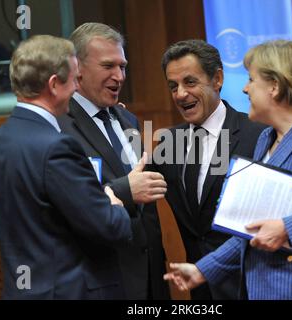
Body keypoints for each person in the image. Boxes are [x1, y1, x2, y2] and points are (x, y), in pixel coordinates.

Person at [163, 40, 292, 300]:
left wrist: (287, 227)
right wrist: (202, 270)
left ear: (275, 86)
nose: (245, 88)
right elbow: (253, 228)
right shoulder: (266, 138)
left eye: (252, 79)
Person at [0, 35, 133, 299]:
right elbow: (110, 227)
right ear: (54, 85)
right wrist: (113, 202)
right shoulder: (57, 147)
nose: (76, 87)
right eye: (74, 79)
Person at [57, 23, 170, 300]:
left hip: (150, 277)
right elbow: (67, 204)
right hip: (102, 279)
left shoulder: (127, 119)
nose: (119, 76)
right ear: (76, 69)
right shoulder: (59, 127)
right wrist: (124, 190)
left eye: (122, 66)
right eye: (108, 66)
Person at [151, 39, 265, 299]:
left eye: (190, 82)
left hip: (250, 286)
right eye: (173, 86)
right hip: (200, 292)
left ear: (217, 79)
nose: (180, 94)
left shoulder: (257, 135)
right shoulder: (169, 143)